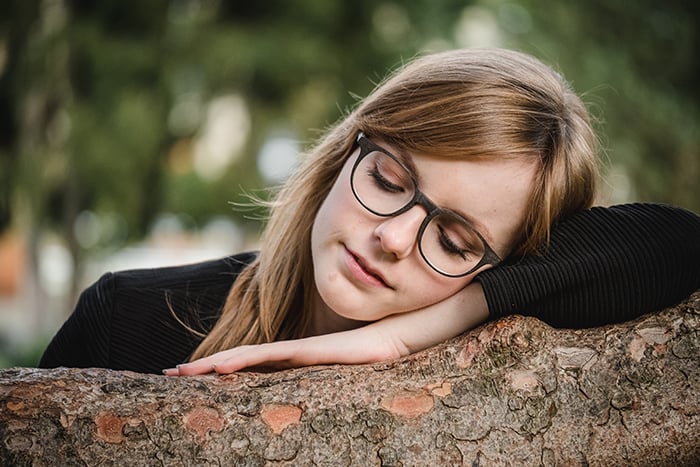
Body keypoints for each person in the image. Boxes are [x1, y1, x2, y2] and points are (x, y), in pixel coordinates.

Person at [39, 48, 700, 376]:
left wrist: (406, 335)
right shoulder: (123, 322)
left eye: (455, 238)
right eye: (388, 178)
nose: (392, 238)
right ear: (344, 153)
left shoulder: (478, 368)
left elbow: (678, 242)